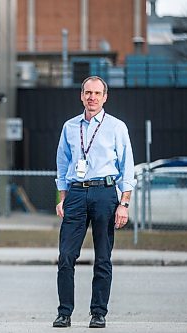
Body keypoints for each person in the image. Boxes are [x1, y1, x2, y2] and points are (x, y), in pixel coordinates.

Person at [53, 76, 136, 328]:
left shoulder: (116, 127)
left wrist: (124, 203)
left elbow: (127, 167)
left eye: (97, 93)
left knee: (103, 257)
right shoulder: (69, 127)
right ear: (81, 95)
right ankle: (64, 312)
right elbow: (62, 164)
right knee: (66, 256)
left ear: (105, 97)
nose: (92, 97)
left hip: (105, 194)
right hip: (76, 195)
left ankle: (98, 312)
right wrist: (62, 198)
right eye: (88, 92)